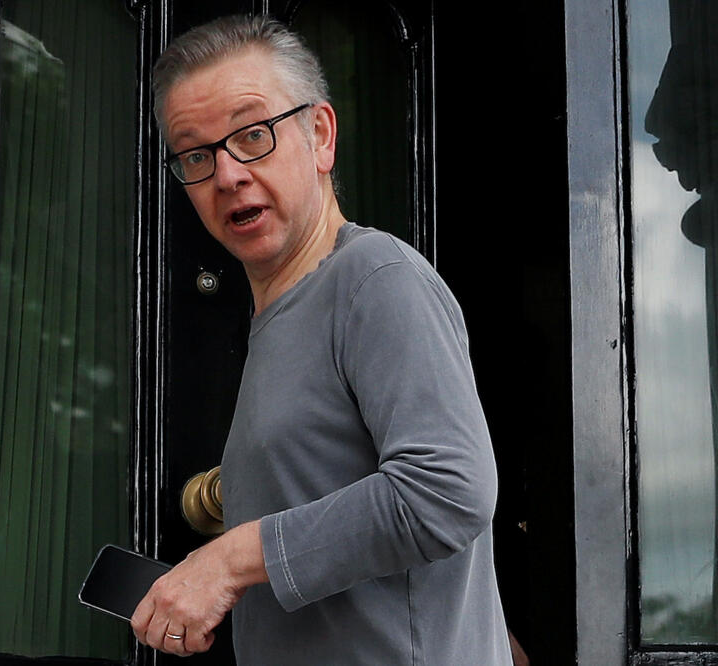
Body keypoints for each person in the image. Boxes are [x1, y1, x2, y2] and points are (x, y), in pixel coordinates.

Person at [131, 14, 514, 665]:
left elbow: (448, 490)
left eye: (253, 135)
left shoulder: (376, 277)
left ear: (320, 135)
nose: (227, 175)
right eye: (196, 155)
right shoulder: (278, 316)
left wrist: (228, 560)